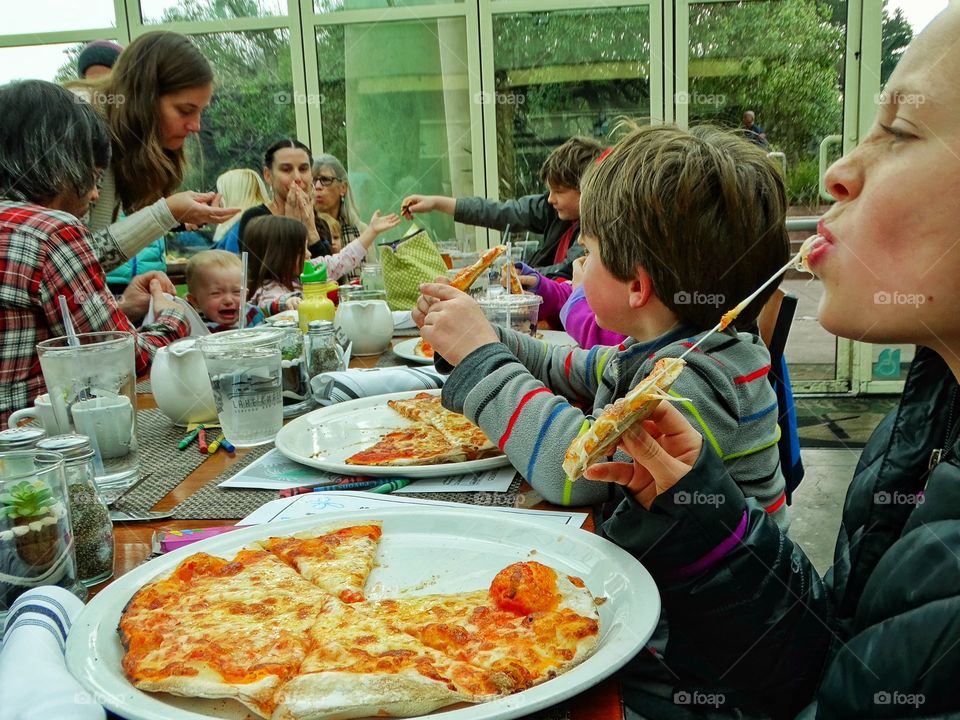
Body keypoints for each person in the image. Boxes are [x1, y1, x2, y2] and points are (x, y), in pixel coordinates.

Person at [581, 9, 960, 718]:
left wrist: (481, 360)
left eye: (900, 132)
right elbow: (831, 667)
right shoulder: (922, 428)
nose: (839, 171)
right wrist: (709, 522)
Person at [415, 123, 791, 530]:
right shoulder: (660, 347)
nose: (581, 265)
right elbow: (566, 365)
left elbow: (572, 472)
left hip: (705, 590)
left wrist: (480, 356)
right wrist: (477, 335)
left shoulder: (699, 378)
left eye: (587, 252)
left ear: (636, 286)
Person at [0, 80, 187, 425]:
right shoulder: (52, 230)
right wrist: (174, 318)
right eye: (94, 176)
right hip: (32, 449)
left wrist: (118, 309)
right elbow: (128, 362)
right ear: (61, 159)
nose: (95, 195)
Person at [68, 31, 238, 276]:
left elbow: (88, 263)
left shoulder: (113, 133)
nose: (196, 126)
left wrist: (125, 303)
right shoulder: (80, 128)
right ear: (143, 98)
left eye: (200, 111)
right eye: (185, 110)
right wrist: (168, 212)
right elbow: (70, 262)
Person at [401, 136, 604, 284]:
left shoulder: (595, 231)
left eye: (558, 191)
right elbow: (501, 212)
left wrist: (512, 271)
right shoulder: (553, 210)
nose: (551, 199)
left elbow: (567, 269)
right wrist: (438, 203)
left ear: (585, 188)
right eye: (550, 190)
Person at [244, 212, 401, 317]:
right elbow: (275, 304)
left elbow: (342, 260)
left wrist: (371, 231)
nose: (309, 254)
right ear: (279, 256)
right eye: (301, 250)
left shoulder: (307, 271)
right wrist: (295, 300)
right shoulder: (267, 290)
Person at [237, 139, 332, 258]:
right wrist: (292, 227)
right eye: (286, 170)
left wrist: (311, 230)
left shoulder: (320, 224)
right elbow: (262, 271)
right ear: (268, 175)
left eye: (303, 169)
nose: (297, 177)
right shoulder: (255, 218)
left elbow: (329, 272)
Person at [184, 250, 265, 332]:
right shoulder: (198, 330)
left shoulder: (253, 314)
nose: (228, 300)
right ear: (195, 301)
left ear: (245, 294)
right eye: (216, 293)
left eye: (237, 291)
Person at [312, 154, 366, 258]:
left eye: (325, 180)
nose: (318, 186)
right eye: (313, 180)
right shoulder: (306, 230)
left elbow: (372, 271)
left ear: (343, 188)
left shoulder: (361, 231)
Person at [211, 168, 271, 251]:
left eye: (221, 192)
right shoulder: (266, 219)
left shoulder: (239, 229)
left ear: (233, 195)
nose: (218, 198)